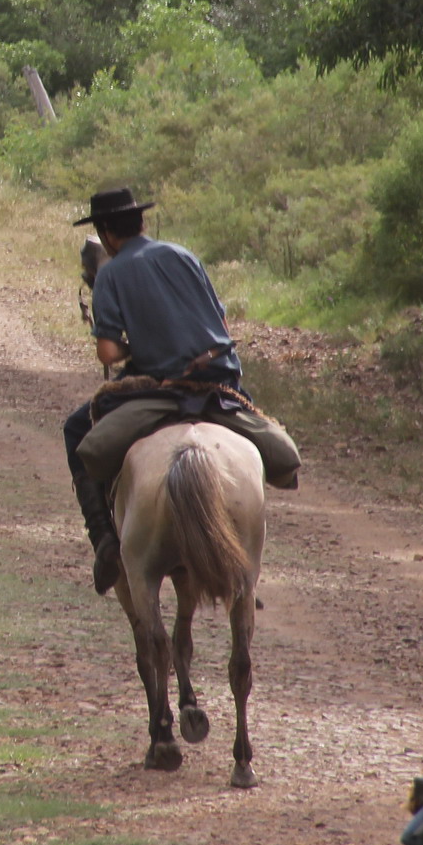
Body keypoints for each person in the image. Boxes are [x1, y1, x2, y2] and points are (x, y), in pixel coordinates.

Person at [66, 187, 268, 594]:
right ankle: (243, 560)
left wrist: (136, 345)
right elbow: (222, 328)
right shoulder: (184, 255)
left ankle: (105, 542)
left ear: (106, 233)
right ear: (141, 222)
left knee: (76, 431)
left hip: (158, 386)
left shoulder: (111, 273)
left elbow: (107, 350)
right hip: (220, 382)